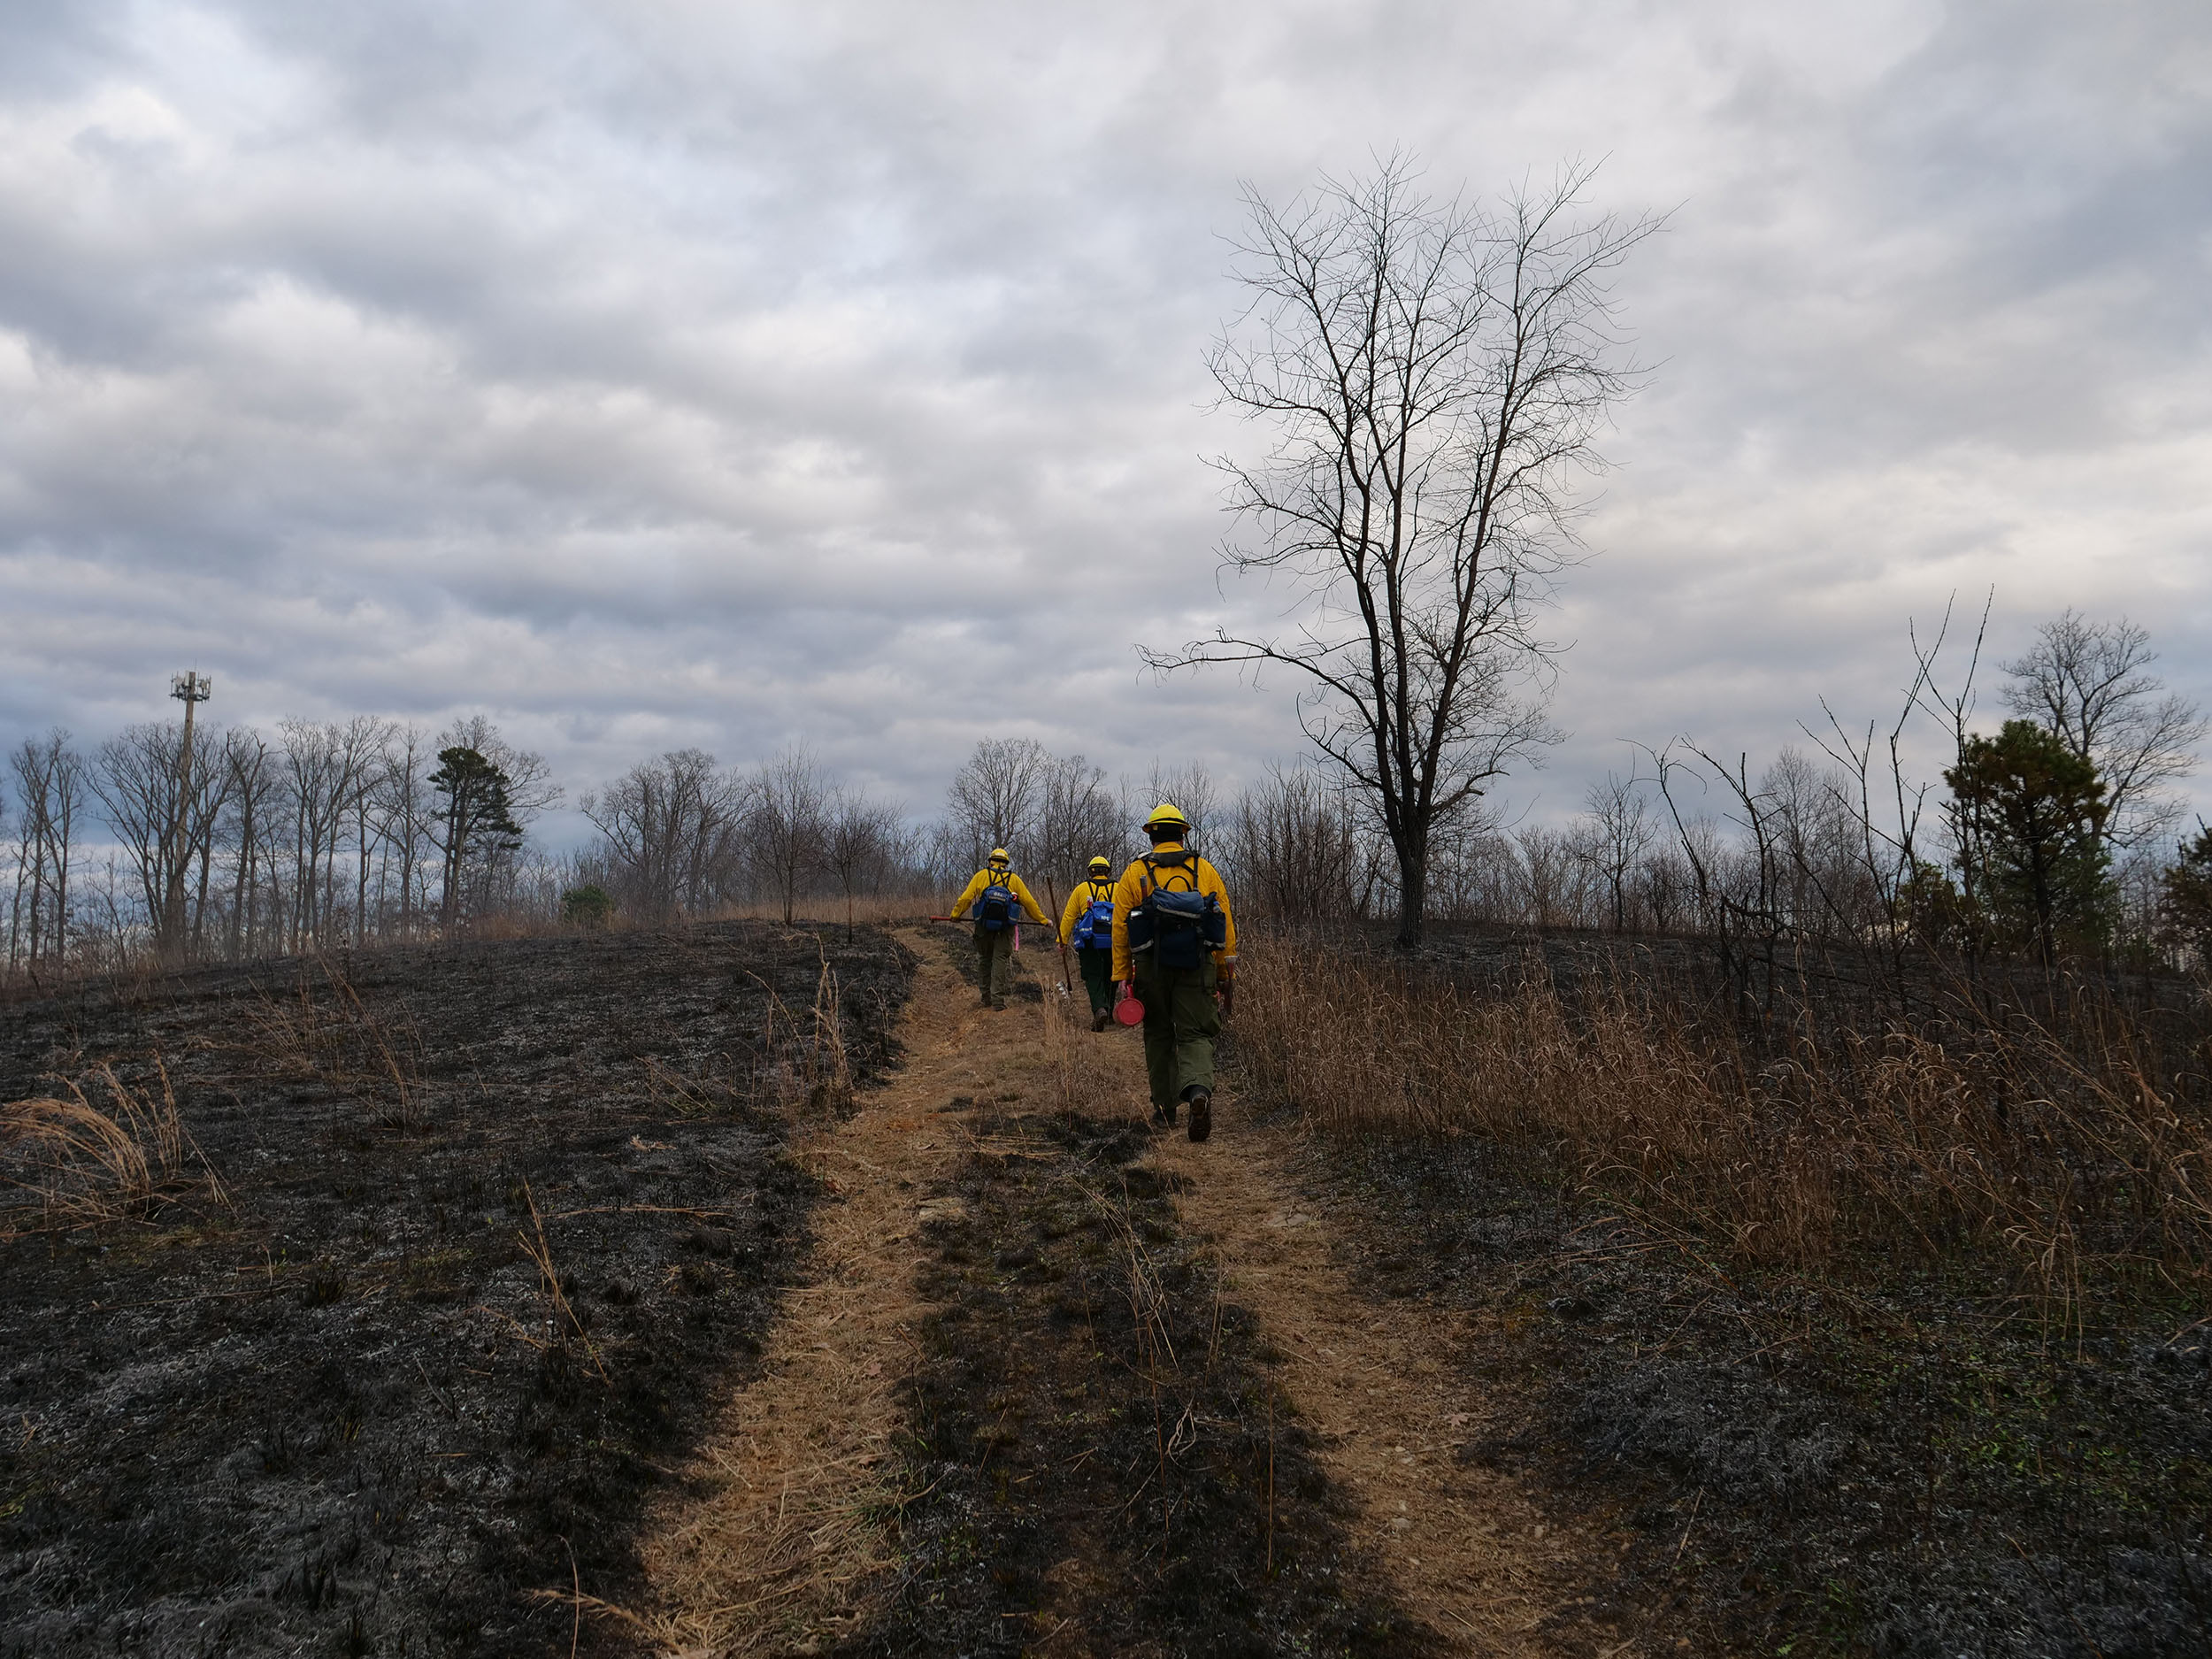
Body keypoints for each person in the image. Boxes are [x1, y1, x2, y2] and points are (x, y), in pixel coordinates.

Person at [1110, 803, 1237, 1141]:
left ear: (1151, 835)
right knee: (1195, 1034)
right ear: (1183, 833)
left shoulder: (1135, 872)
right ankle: (1198, 1093)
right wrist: (1225, 973)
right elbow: (1225, 925)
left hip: (1152, 968)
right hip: (1198, 966)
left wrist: (1123, 975)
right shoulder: (1204, 871)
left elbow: (1121, 928)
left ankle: (1165, 1110)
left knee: (1159, 1033)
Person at [949, 847, 1050, 1010]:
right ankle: (998, 1001)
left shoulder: (981, 876)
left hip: (983, 925)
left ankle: (985, 997)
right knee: (1000, 959)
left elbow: (966, 898)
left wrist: (955, 915)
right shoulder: (1014, 880)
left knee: (984, 958)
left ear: (990, 861)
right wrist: (1043, 920)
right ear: (1005, 864)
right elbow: (1029, 903)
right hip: (1005, 926)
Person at [1058, 854, 1120, 1031]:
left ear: (1091, 872)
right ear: (1107, 871)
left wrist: (1061, 940)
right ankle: (1108, 1012)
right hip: (1113, 940)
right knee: (1111, 975)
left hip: (1089, 940)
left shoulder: (1081, 889)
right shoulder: (1118, 887)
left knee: (1093, 976)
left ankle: (1099, 1009)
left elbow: (1069, 916)